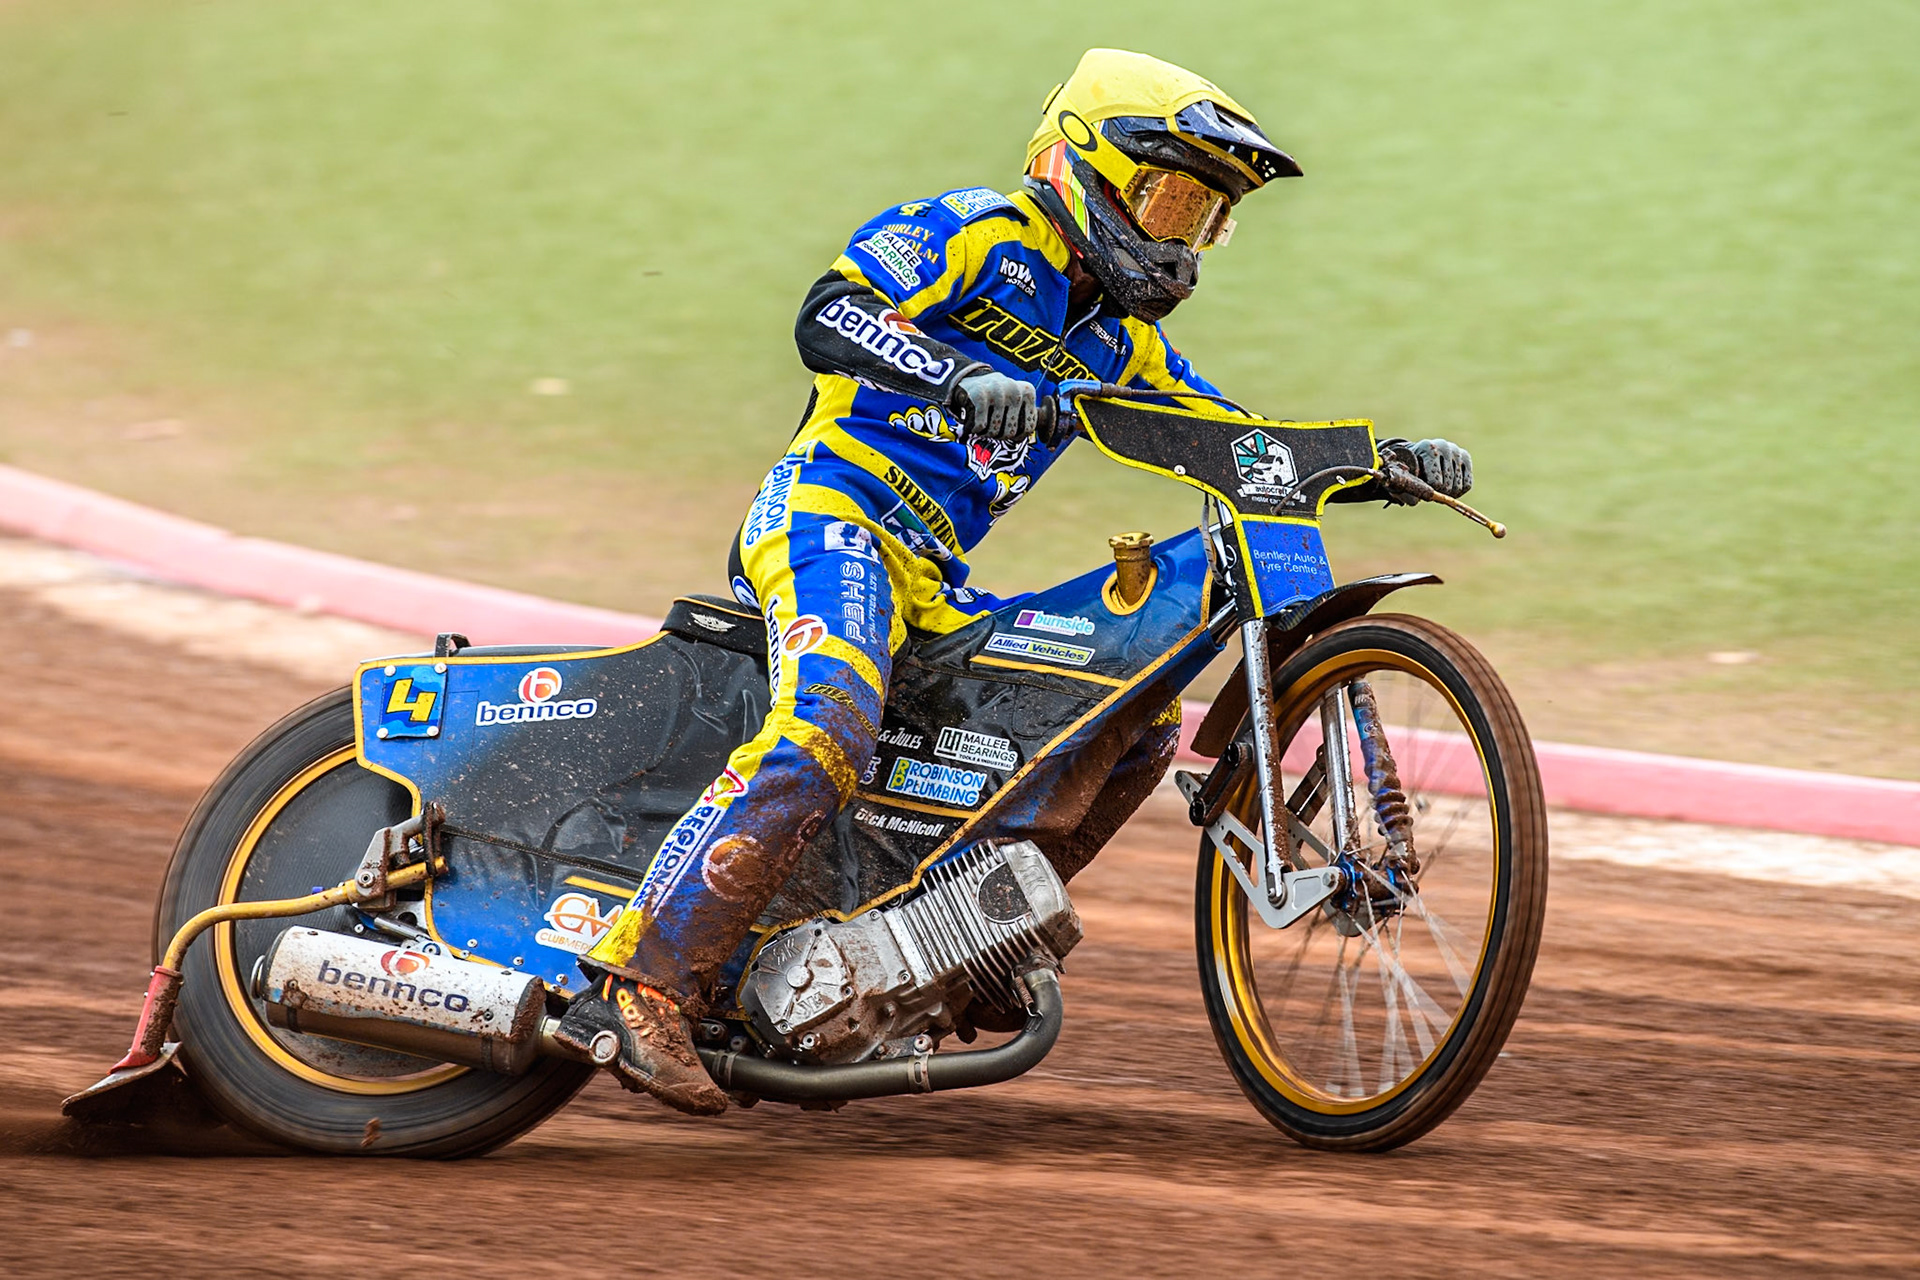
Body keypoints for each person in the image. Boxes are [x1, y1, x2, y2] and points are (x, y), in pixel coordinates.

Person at [553, 48, 1475, 1114]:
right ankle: (639, 981)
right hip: (829, 518)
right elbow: (828, 313)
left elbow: (1236, 441)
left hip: (934, 580)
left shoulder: (1123, 345)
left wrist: (1376, 462)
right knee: (830, 723)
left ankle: (946, 941)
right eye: (1170, 199)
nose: (1179, 239)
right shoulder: (982, 231)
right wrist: (956, 374)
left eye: (1203, 218)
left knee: (1130, 722)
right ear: (1081, 165)